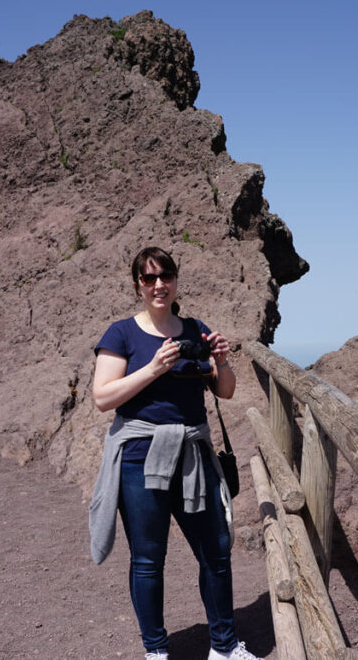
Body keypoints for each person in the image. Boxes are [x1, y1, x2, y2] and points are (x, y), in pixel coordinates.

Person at [88, 247, 261, 660]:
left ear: (176, 280)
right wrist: (153, 369)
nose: (158, 284)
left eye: (165, 275)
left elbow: (225, 390)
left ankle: (223, 647)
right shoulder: (121, 334)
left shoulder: (194, 329)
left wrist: (221, 359)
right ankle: (156, 652)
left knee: (216, 551)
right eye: (149, 279)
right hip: (139, 457)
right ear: (137, 286)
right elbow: (102, 398)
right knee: (148, 559)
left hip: (192, 454)